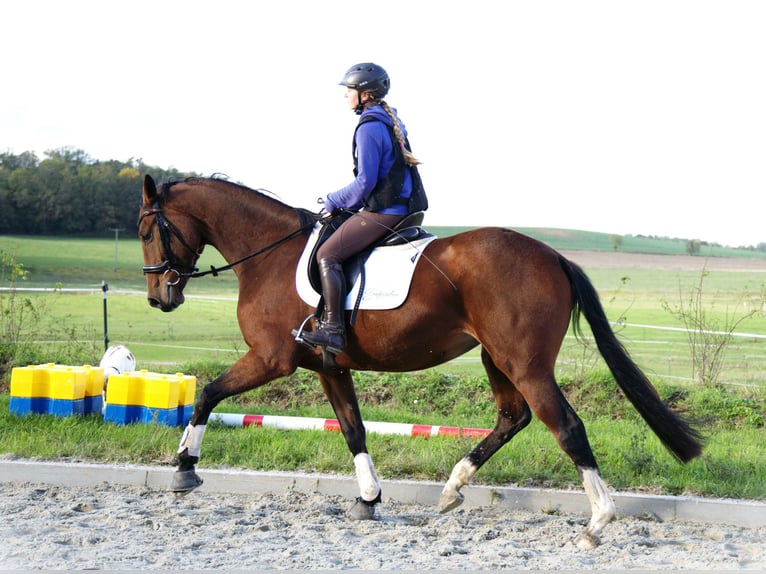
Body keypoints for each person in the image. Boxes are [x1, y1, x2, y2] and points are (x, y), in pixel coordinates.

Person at [296, 62, 426, 355]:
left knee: (327, 254)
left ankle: (333, 331)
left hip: (386, 210)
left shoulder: (369, 127)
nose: (346, 96)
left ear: (365, 94)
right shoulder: (390, 119)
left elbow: (365, 182)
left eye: (349, 90)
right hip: (404, 207)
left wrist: (332, 200)